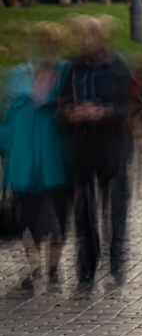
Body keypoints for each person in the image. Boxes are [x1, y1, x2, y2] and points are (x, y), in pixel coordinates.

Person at [60, 15, 135, 289]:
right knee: (84, 211)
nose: (80, 42)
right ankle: (87, 266)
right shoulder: (72, 68)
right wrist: (69, 112)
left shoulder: (117, 66)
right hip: (81, 149)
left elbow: (130, 106)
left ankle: (116, 262)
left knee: (115, 209)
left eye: (84, 36)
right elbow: (61, 103)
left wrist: (103, 112)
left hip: (112, 148)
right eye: (76, 37)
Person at [0, 23, 71, 290]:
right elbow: (8, 118)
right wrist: (3, 149)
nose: (45, 49)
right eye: (41, 43)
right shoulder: (18, 74)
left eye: (51, 44)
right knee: (26, 219)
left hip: (57, 160)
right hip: (23, 160)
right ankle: (33, 268)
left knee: (57, 218)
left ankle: (53, 267)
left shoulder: (66, 74)